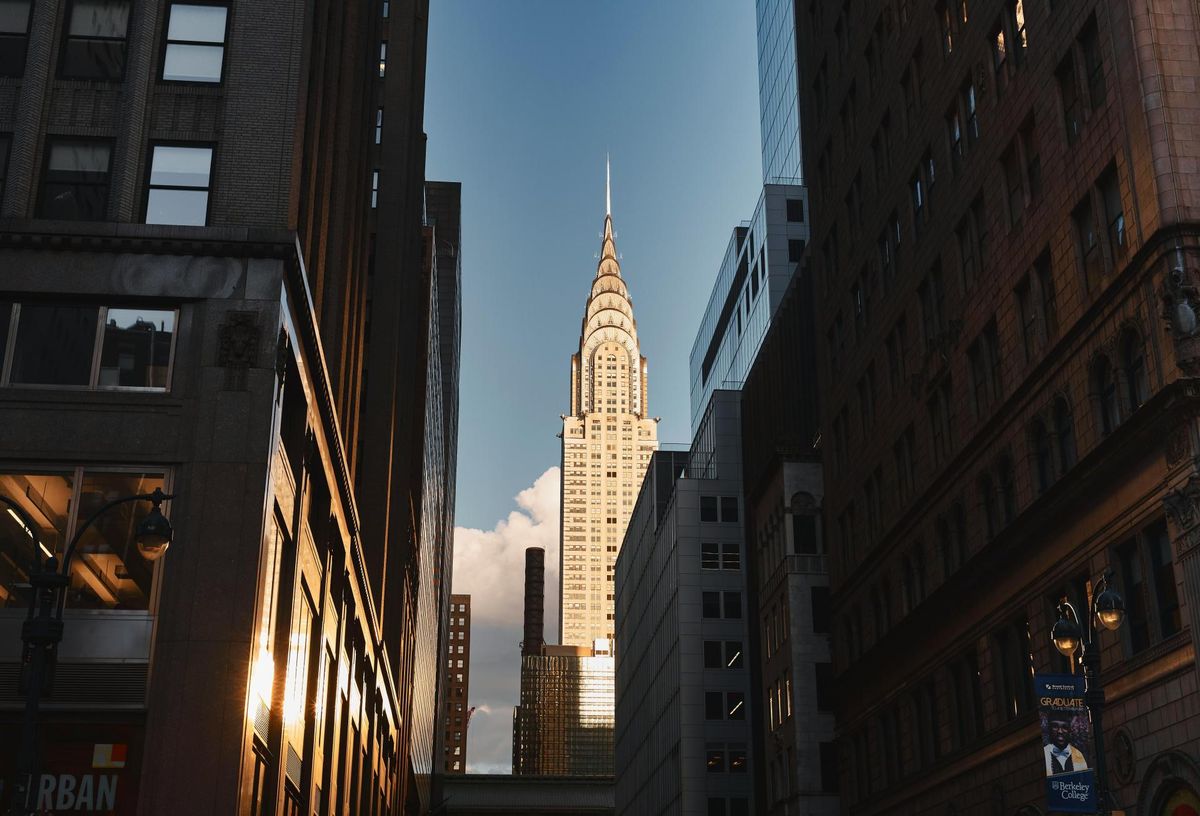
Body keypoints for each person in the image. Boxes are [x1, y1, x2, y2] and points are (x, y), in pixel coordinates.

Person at [1044, 710, 1089, 775]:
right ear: (1049, 729)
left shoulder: (1078, 755)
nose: (1060, 731)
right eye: (1055, 726)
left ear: (1070, 730)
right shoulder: (1045, 753)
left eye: (1064, 727)